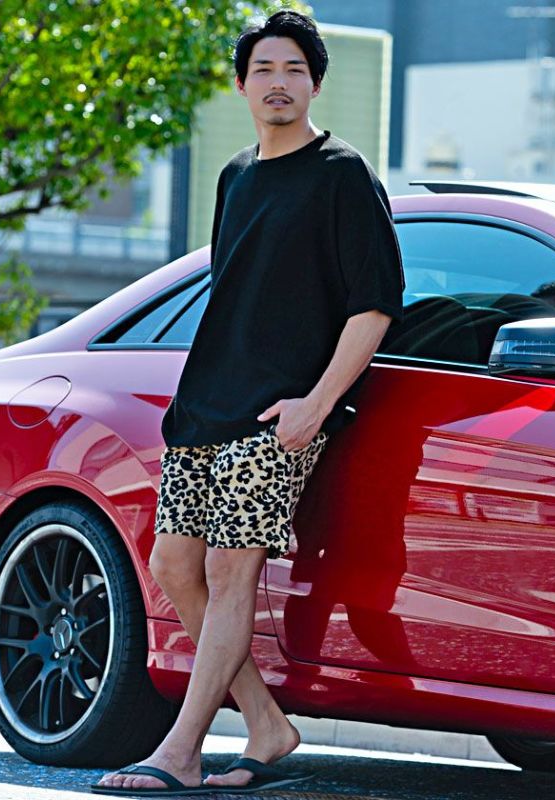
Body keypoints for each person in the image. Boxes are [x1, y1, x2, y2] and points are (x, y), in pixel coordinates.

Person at [93, 9, 404, 796]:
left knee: (232, 572)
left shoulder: (343, 174)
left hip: (278, 417)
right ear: (240, 84)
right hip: (207, 405)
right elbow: (234, 296)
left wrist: (315, 407)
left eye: (295, 69)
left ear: (316, 84)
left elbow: (373, 306)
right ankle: (265, 722)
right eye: (264, 68)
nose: (279, 82)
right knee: (175, 565)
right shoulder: (235, 176)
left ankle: (181, 751)